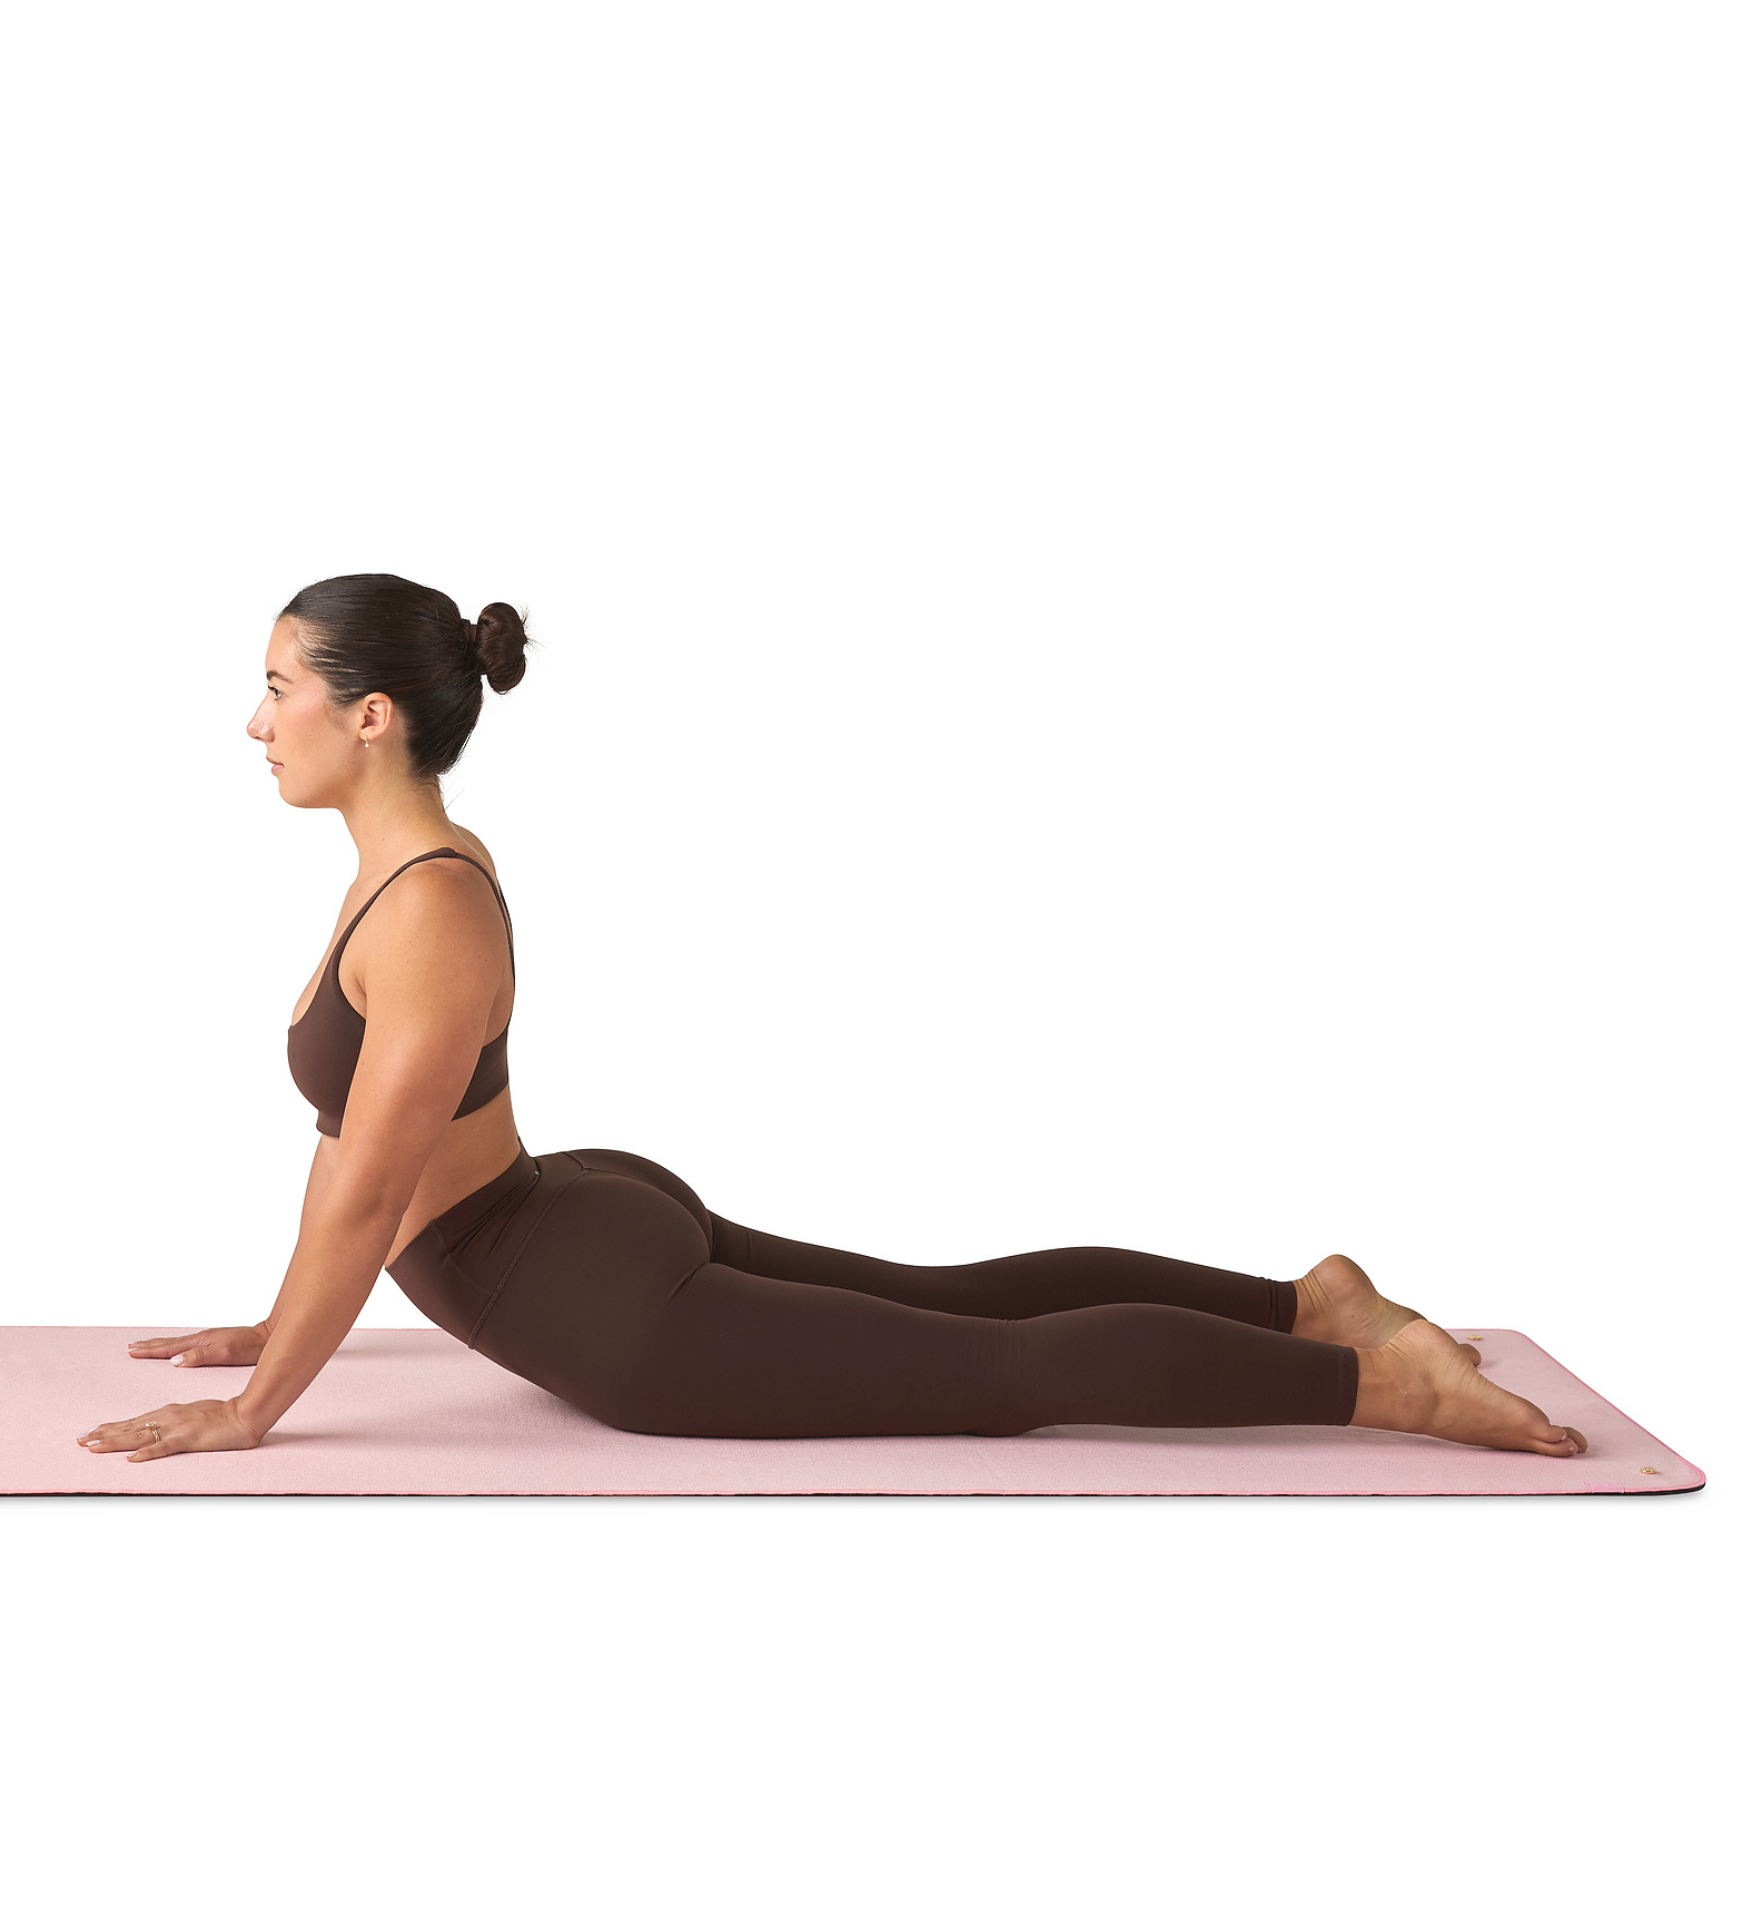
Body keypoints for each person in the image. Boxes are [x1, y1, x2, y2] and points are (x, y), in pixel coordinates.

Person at [76, 573, 1588, 1465]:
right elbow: (353, 1151)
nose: (253, 722)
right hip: (571, 1221)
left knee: (998, 1371)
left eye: (276, 688)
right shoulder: (402, 877)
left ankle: (1366, 1377)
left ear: (370, 716)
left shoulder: (425, 908)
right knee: (961, 1301)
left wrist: (260, 1412)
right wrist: (279, 1325)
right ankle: (1302, 1302)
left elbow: (368, 1193)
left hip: (593, 1301)